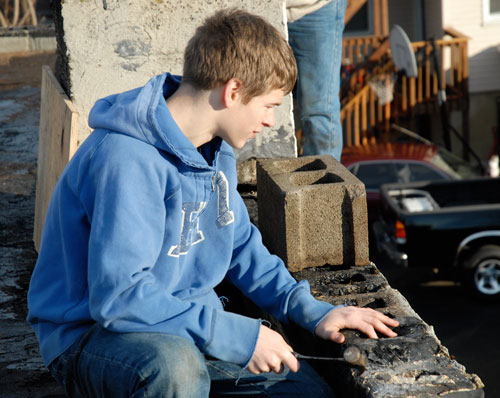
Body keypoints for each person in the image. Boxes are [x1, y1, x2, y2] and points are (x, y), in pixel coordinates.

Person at [27, 8, 398, 397]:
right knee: (176, 370)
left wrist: (310, 309)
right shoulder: (126, 159)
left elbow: (239, 246)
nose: (271, 120)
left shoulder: (213, 149)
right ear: (233, 91)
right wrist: (236, 336)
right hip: (96, 337)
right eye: (269, 105)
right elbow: (118, 298)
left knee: (304, 392)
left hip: (184, 323)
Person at [287, 0, 347, 160]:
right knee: (257, 98)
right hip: (263, 8)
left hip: (317, 8)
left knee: (320, 111)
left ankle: (324, 182)